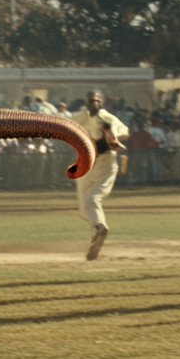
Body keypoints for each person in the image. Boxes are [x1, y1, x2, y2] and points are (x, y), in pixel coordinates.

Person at [71, 91, 128, 260]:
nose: (94, 103)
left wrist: (112, 137)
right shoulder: (81, 116)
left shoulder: (109, 119)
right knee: (84, 208)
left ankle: (99, 228)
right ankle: (96, 233)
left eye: (96, 100)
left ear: (102, 101)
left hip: (106, 162)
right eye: (91, 100)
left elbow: (124, 133)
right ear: (87, 102)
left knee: (93, 199)